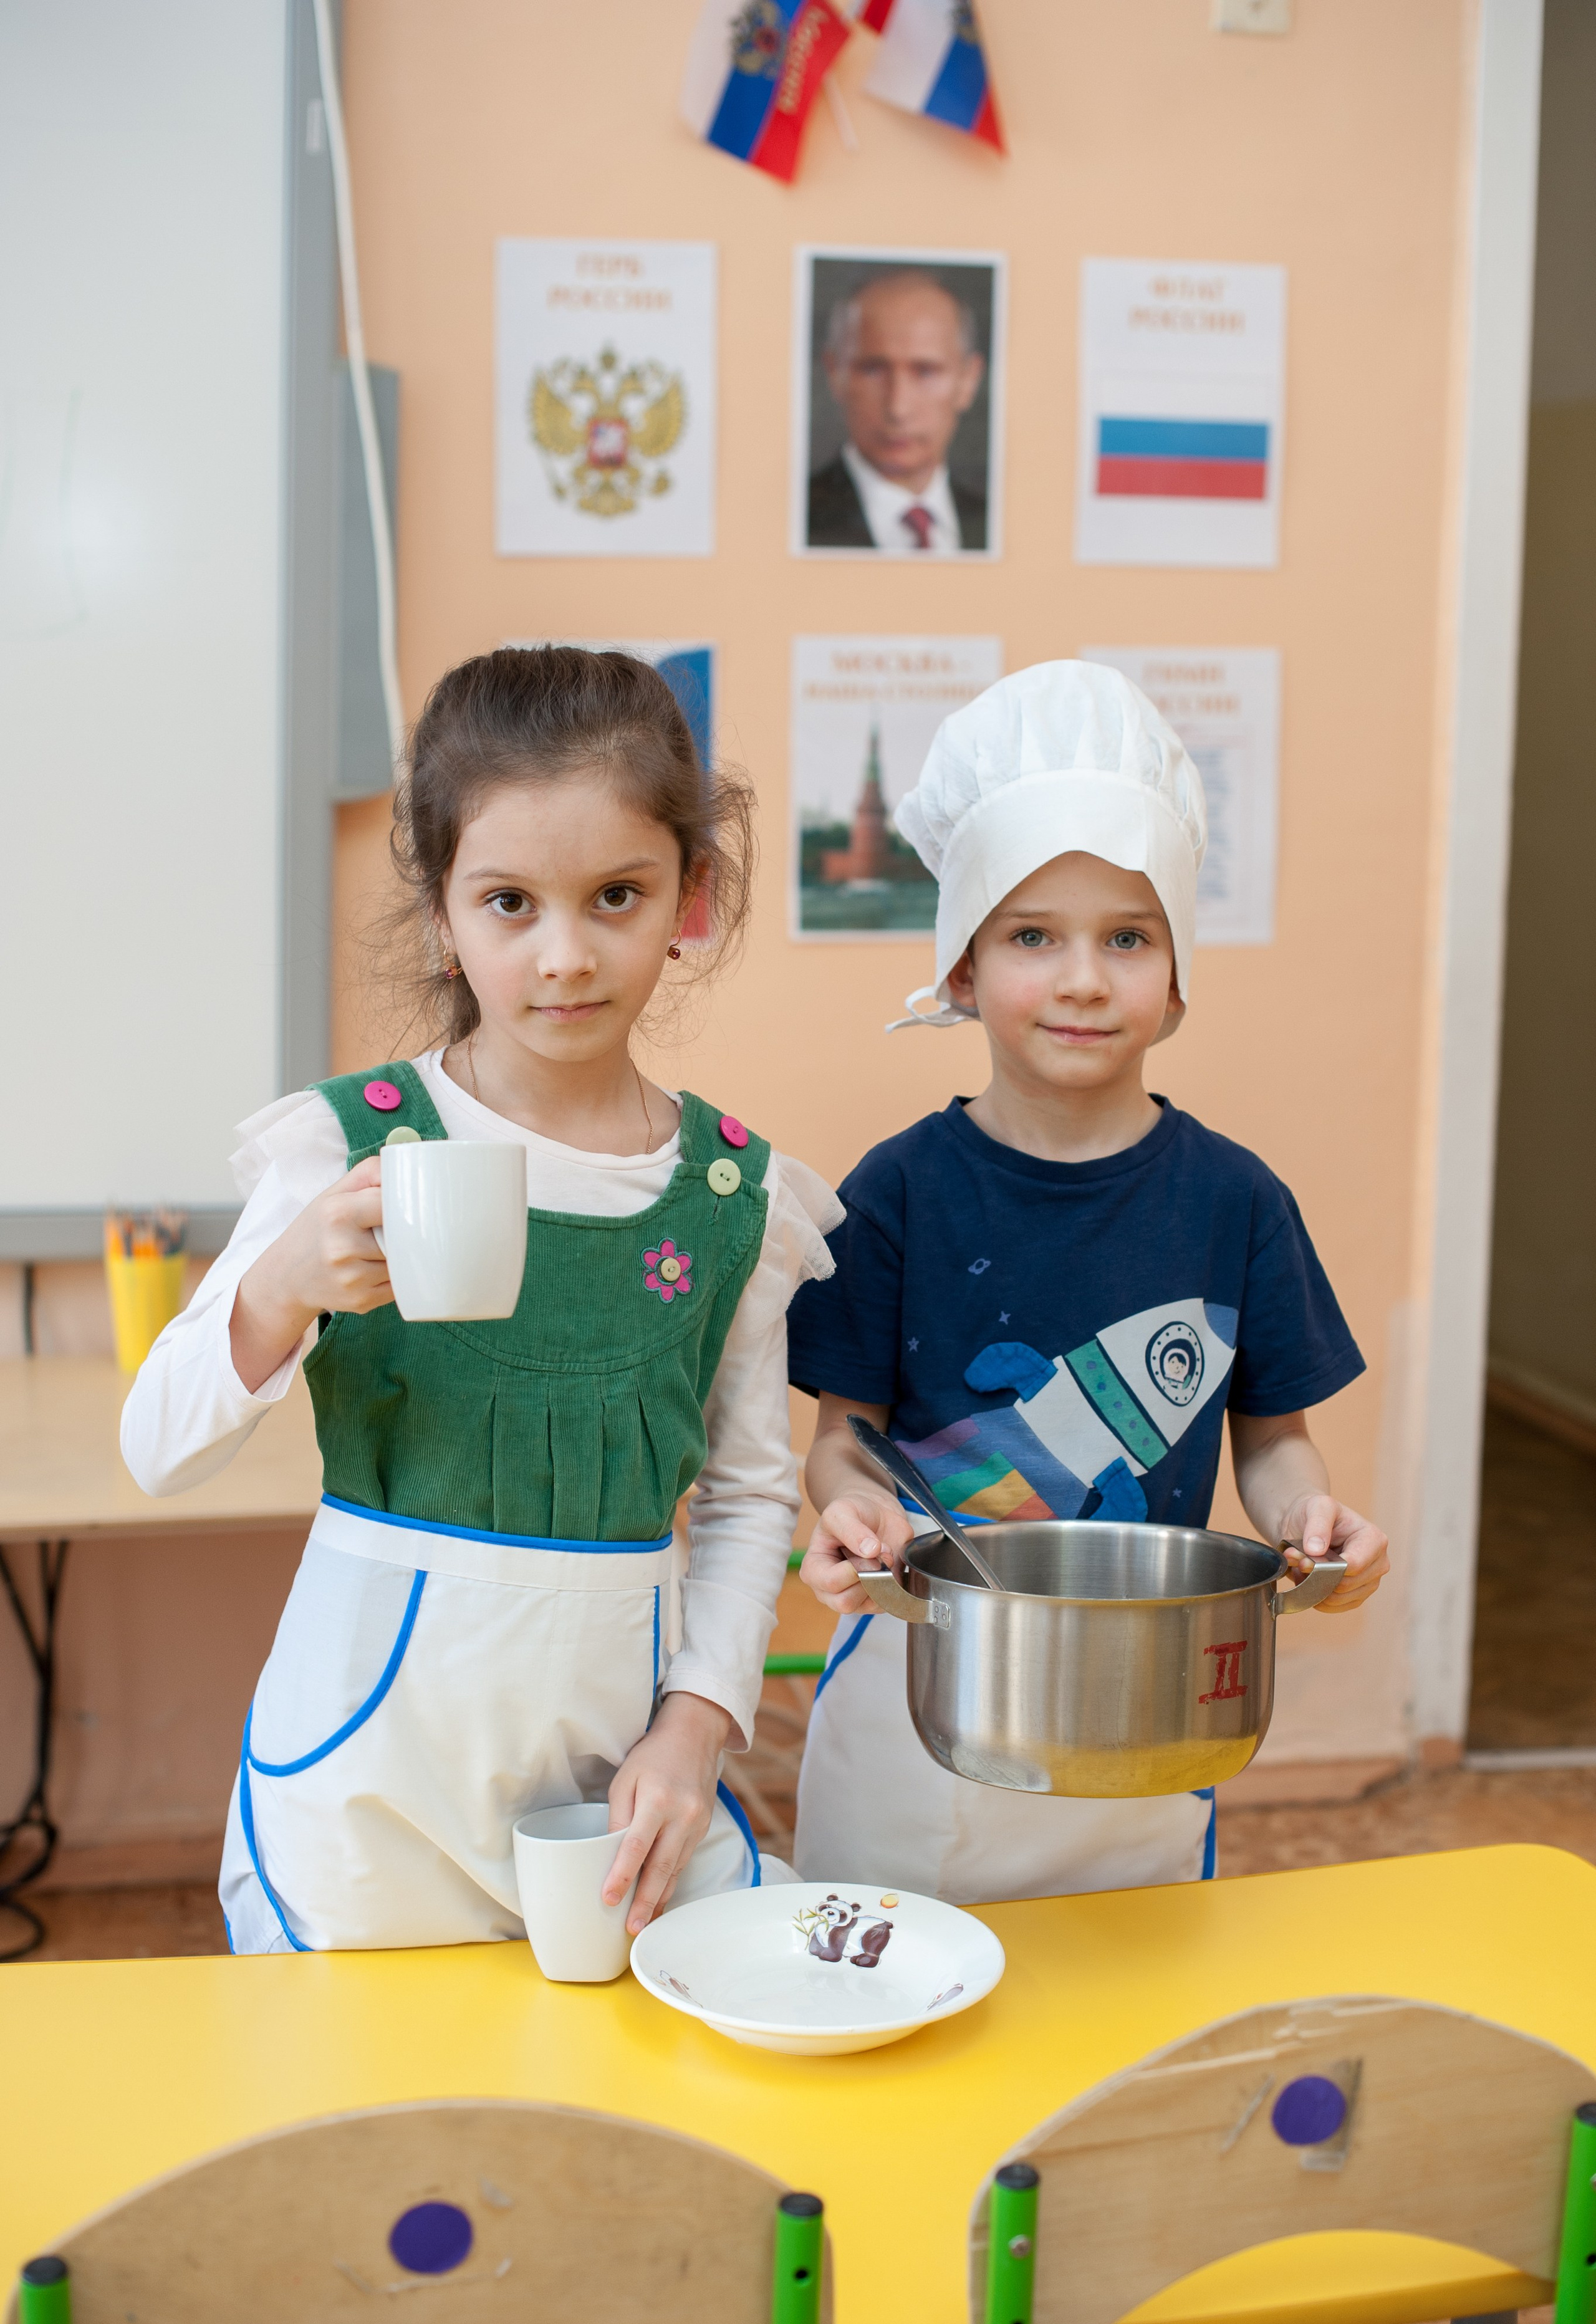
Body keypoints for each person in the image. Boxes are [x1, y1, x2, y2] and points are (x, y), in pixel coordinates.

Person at [122, 646, 841, 1954]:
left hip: (615, 1786)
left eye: (615, 895)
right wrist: (285, 1289)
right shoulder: (344, 1150)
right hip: (368, 1791)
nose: (563, 955)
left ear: (693, 894)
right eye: (509, 902)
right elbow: (158, 1448)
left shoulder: (736, 1194)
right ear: (442, 909)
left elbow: (745, 1495)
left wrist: (697, 1728)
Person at [787, 659, 1390, 1904]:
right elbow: (842, 1442)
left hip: (1143, 1718)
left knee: (1123, 2031)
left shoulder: (1235, 1201)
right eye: (1029, 938)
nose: (1079, 978)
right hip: (917, 1699)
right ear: (958, 969)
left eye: (1126, 937)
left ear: (1176, 977)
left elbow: (1273, 1439)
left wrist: (1306, 1524)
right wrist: (852, 1515)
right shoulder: (894, 1192)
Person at [806, 268, 988, 552]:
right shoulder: (793, 518)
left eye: (926, 372)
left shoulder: (997, 522)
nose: (898, 408)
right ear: (834, 374)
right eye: (872, 370)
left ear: (969, 380)